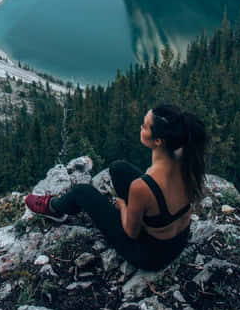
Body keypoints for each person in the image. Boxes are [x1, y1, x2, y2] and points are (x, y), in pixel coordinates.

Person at [25, 103, 208, 271]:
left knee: (82, 191)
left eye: (144, 126)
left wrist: (123, 206)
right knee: (118, 168)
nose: (141, 128)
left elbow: (131, 232)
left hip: (150, 256)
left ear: (158, 141)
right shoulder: (188, 164)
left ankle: (54, 209)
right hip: (178, 241)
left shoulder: (142, 187)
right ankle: (145, 215)